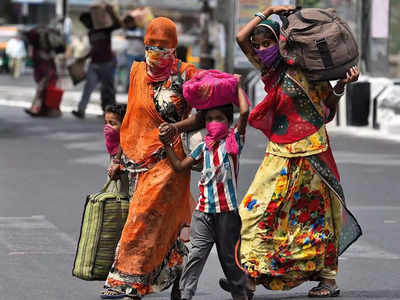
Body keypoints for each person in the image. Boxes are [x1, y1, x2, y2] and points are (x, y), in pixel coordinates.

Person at [219, 5, 362, 299]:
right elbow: (240, 38)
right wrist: (269, 10)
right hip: (279, 153)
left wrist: (342, 86)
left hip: (312, 154)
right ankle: (250, 274)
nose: (261, 49)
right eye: (258, 46)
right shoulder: (270, 71)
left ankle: (327, 280)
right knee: (255, 210)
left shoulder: (310, 68)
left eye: (267, 43)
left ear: (281, 42)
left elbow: (327, 110)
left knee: (315, 217)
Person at [101, 17, 201, 300]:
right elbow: (131, 117)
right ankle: (172, 274)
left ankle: (124, 281)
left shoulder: (185, 73)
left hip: (171, 162)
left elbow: (205, 114)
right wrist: (118, 158)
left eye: (162, 47)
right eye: (150, 46)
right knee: (159, 223)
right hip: (137, 161)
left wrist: (177, 128)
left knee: (141, 217)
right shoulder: (136, 72)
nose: (155, 52)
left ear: (174, 47)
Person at [159, 75, 250, 300]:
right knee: (195, 255)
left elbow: (245, 113)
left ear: (228, 122)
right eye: (209, 119)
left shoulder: (234, 141)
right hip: (203, 212)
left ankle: (240, 293)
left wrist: (237, 86)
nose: (213, 123)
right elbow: (180, 166)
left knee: (229, 259)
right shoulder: (203, 148)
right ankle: (185, 295)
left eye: (219, 118)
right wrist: (166, 144)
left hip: (226, 213)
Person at [72, 4, 120, 119]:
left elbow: (118, 25)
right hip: (94, 63)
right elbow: (94, 48)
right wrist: (84, 58)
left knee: (108, 89)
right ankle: (81, 110)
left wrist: (111, 12)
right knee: (88, 87)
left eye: (86, 21)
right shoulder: (90, 33)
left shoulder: (104, 29)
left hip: (107, 63)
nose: (85, 24)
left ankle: (109, 113)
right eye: (84, 23)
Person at [24, 26, 60, 117]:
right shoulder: (48, 49)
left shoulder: (40, 50)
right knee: (45, 90)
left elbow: (32, 55)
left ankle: (36, 108)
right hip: (48, 71)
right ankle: (43, 109)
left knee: (42, 90)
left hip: (46, 72)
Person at [104, 104, 129, 195]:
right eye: (105, 122)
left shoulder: (127, 154)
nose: (107, 127)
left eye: (112, 123)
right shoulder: (113, 153)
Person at [121, 14, 145, 92]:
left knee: (140, 73)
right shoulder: (125, 31)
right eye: (128, 23)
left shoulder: (140, 30)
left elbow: (145, 39)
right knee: (131, 72)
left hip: (141, 54)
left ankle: (139, 89)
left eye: (131, 22)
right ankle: (129, 88)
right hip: (130, 54)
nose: (130, 24)